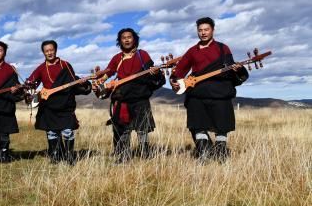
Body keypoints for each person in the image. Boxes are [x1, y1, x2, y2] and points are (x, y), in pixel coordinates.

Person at [170, 17, 248, 160]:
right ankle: (204, 156)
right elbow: (179, 71)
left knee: (221, 127)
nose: (203, 33)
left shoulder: (222, 48)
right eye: (200, 30)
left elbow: (229, 69)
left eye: (206, 30)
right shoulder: (192, 51)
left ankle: (221, 156)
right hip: (197, 94)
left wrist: (237, 69)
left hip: (220, 93)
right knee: (198, 126)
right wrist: (174, 81)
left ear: (212, 30)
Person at [96, 28, 164, 162]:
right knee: (123, 129)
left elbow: (150, 70)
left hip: (140, 98)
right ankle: (123, 156)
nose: (127, 39)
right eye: (123, 37)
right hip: (122, 99)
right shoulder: (117, 58)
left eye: (129, 37)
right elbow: (108, 73)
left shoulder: (142, 55)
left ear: (134, 39)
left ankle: (145, 156)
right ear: (120, 41)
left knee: (142, 129)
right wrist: (100, 81)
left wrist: (154, 72)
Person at [27, 40, 91, 164]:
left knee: (67, 131)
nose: (49, 53)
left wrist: (82, 84)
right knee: (52, 133)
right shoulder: (41, 68)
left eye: (51, 50)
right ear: (43, 53)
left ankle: (69, 157)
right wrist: (28, 88)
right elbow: (31, 82)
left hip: (65, 104)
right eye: (46, 51)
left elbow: (73, 81)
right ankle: (56, 156)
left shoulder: (65, 65)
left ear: (55, 50)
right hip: (49, 106)